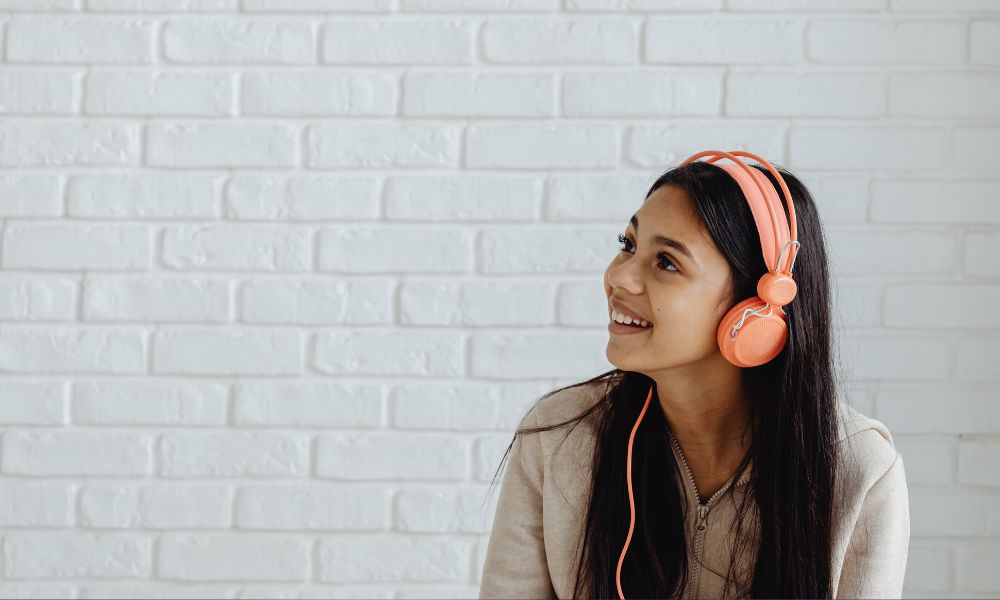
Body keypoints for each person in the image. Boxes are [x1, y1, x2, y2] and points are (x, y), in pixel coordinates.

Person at [478, 154, 910, 599]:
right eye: (628, 245)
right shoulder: (557, 438)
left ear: (756, 309)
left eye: (666, 262)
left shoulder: (858, 471)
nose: (619, 277)